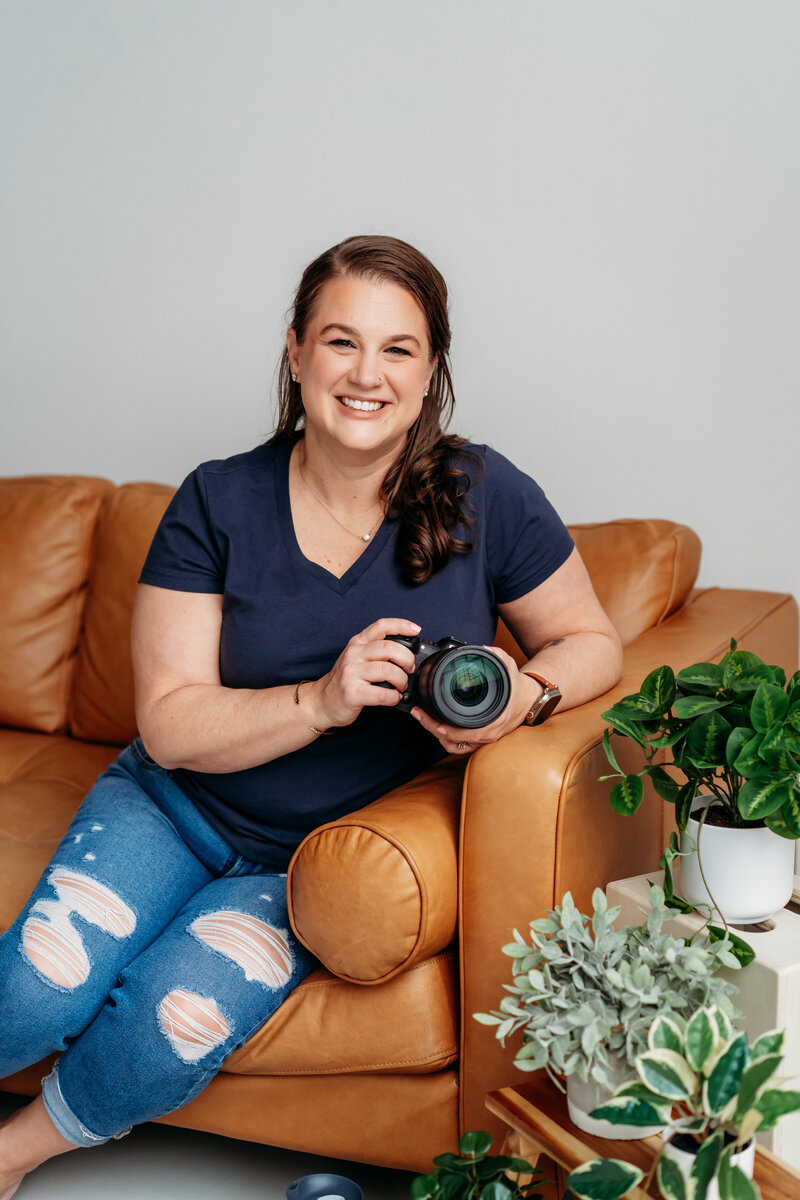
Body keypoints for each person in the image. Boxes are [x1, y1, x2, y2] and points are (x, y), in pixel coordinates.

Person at [0, 235, 622, 1196]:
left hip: (313, 862)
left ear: (431, 372)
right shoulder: (218, 500)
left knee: (177, 1023)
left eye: (398, 349)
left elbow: (591, 640)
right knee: (36, 991)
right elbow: (168, 724)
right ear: (295, 352)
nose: (366, 374)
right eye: (340, 341)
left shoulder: (483, 493)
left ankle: (12, 1155)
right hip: (172, 807)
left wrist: (523, 695)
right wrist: (322, 700)